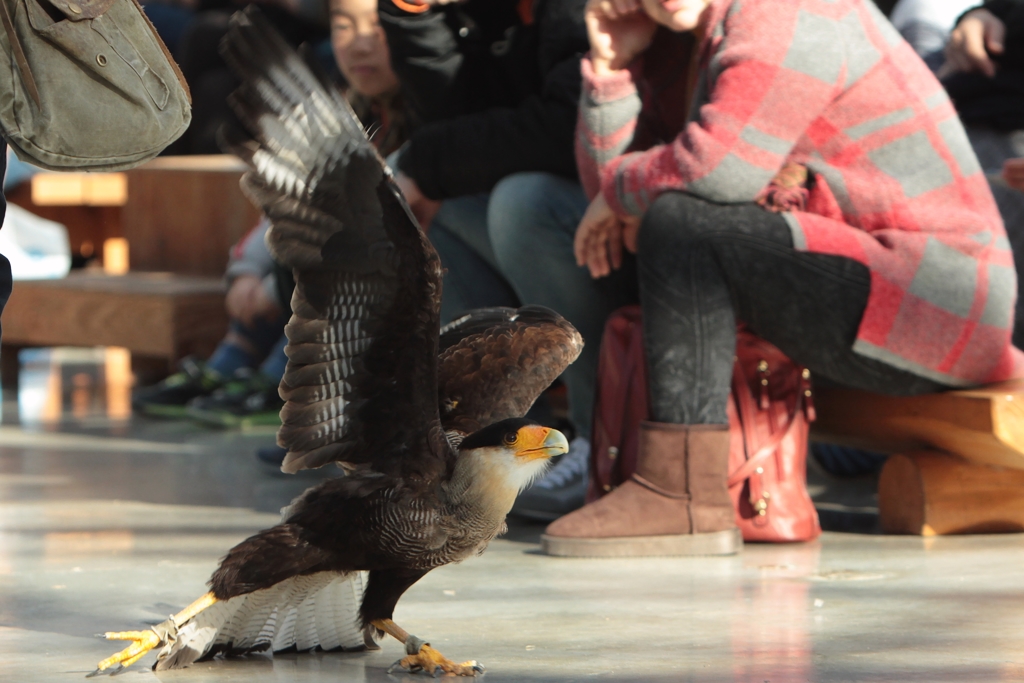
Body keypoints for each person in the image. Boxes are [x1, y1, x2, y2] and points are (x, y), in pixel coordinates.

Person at [541, 0, 1019, 556]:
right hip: (871, 283)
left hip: (938, 300)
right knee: (642, 219)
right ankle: (666, 479)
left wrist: (622, 189)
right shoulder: (688, 35)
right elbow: (613, 202)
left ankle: (681, 494)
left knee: (683, 224)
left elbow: (713, 171)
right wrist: (611, 67)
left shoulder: (788, 8)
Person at [378, 0, 636, 520]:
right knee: (418, 206)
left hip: (637, 212)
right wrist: (415, 15)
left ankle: (595, 442)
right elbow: (459, 118)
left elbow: (562, 130)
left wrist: (428, 161)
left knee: (523, 203)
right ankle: (501, 441)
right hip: (589, 208)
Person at [135, 0, 411, 428]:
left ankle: (287, 378)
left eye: (377, 29)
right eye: (343, 26)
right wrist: (246, 271)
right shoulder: (350, 111)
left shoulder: (423, 133)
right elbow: (287, 199)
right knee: (299, 213)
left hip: (385, 304)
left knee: (333, 234)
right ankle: (238, 359)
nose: (359, 45)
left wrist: (272, 284)